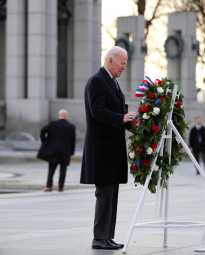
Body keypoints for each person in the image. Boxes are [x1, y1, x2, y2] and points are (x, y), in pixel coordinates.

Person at [80, 46, 137, 250]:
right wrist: (122, 117)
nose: (124, 67)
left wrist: (132, 122)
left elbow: (119, 112)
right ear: (110, 60)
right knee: (104, 195)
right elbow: (98, 111)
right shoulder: (96, 81)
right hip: (102, 150)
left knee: (112, 195)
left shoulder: (113, 83)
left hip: (112, 150)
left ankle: (108, 237)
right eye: (122, 63)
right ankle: (99, 238)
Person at [39, 109, 76, 192]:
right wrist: (72, 152)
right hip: (65, 152)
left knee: (51, 169)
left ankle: (49, 186)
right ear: (66, 116)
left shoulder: (53, 124)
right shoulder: (71, 126)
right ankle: (61, 187)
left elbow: (42, 131)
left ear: (59, 115)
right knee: (63, 170)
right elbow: (73, 140)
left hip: (53, 151)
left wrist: (45, 142)